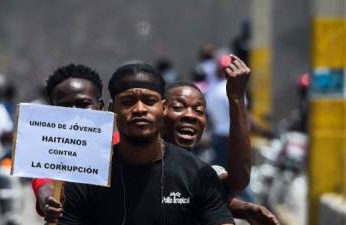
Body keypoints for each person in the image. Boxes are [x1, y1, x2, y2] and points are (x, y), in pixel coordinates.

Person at [58, 63, 234, 225]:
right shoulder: (86, 177)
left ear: (163, 108)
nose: (140, 110)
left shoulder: (197, 174)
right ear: (112, 110)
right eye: (127, 102)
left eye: (149, 101)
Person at [162, 81, 280, 225]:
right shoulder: (136, 163)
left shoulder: (204, 175)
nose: (190, 116)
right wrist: (240, 208)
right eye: (179, 107)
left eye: (199, 111)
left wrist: (236, 99)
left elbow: (237, 181)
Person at [31, 63, 105, 219]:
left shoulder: (120, 145)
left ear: (101, 106)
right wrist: (48, 202)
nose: (73, 113)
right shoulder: (46, 149)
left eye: (83, 104)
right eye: (64, 106)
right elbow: (44, 183)